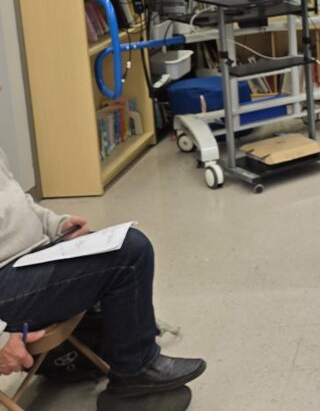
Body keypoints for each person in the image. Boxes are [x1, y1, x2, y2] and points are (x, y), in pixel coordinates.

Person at [0, 115, 205, 405]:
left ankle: (120, 356)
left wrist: (57, 226)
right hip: (6, 290)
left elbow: (17, 202)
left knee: (114, 243)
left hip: (27, 261)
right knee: (130, 252)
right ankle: (134, 373)